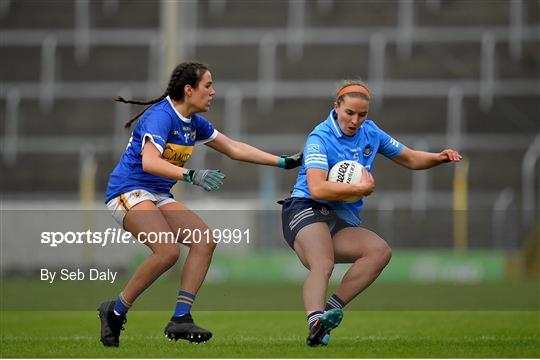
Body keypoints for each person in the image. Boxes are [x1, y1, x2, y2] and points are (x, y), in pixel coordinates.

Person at [99, 61, 301, 347]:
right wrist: (191, 175)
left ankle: (180, 318)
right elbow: (149, 162)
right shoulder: (161, 116)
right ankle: (116, 311)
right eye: (208, 85)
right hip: (128, 191)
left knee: (204, 240)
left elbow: (233, 148)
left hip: (157, 195)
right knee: (167, 251)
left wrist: (282, 161)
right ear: (189, 90)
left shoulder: (193, 123)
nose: (213, 92)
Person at [280, 80, 462, 346]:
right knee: (323, 262)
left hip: (338, 217)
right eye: (349, 113)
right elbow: (317, 188)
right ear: (336, 107)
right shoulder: (320, 137)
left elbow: (410, 158)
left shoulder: (371, 132)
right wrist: (359, 188)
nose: (355, 120)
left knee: (379, 252)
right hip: (305, 208)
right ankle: (315, 322)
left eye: (362, 114)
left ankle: (330, 311)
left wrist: (439, 157)